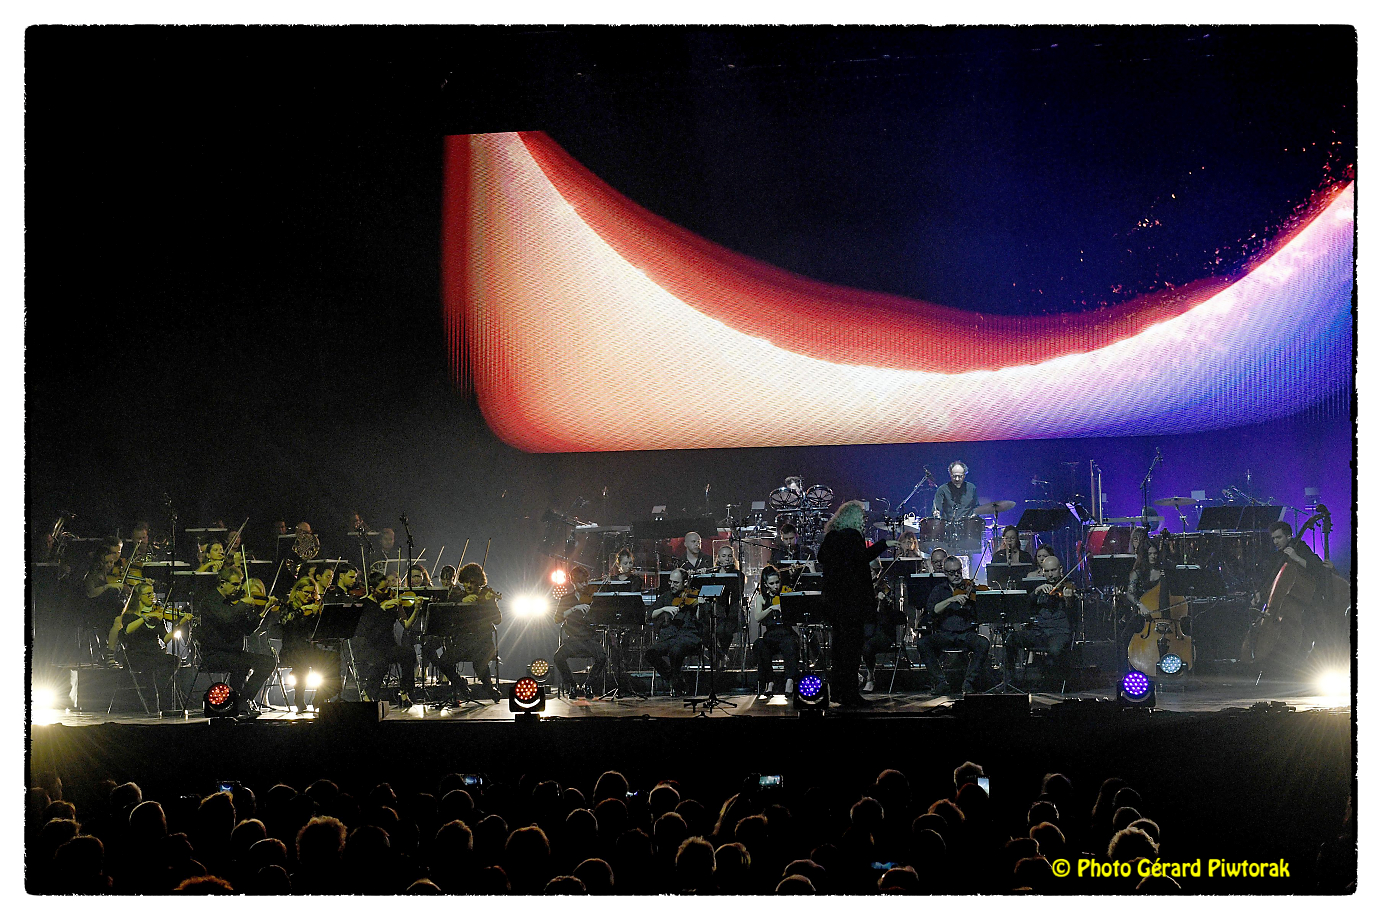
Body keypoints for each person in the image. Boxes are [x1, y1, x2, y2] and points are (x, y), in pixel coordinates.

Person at [817, 500, 894, 706]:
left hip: (833, 602)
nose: (864, 520)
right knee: (851, 649)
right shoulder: (852, 536)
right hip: (851, 602)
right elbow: (862, 558)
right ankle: (850, 694)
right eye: (862, 516)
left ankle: (837, 692)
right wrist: (884, 544)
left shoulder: (831, 537)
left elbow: (821, 558)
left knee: (838, 649)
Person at [194, 568, 276, 716]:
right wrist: (242, 604)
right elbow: (226, 618)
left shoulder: (235, 604)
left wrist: (264, 611)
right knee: (241, 664)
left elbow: (248, 630)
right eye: (235, 584)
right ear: (222, 583)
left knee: (268, 662)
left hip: (235, 653)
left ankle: (243, 700)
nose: (238, 588)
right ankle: (240, 704)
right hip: (214, 654)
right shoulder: (210, 602)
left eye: (239, 584)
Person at [424, 562, 502, 704]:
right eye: (466, 582)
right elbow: (449, 617)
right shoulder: (458, 595)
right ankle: (461, 684)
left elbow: (497, 620)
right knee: (444, 662)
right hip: (462, 642)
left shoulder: (486, 596)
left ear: (479, 583)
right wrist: (461, 601)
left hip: (483, 642)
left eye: (472, 583)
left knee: (479, 663)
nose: (468, 586)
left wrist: (489, 603)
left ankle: (489, 688)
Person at [916, 556, 991, 694]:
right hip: (945, 634)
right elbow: (933, 610)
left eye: (958, 571)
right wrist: (952, 599)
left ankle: (969, 682)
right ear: (945, 573)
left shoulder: (969, 588)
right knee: (923, 643)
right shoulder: (939, 590)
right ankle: (941, 682)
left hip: (966, 634)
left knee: (983, 643)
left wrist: (978, 599)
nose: (956, 575)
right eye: (952, 572)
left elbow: (983, 612)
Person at [108, 582, 188, 702]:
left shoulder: (156, 616)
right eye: (148, 594)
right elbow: (127, 630)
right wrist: (145, 617)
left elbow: (166, 638)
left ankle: (157, 692)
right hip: (136, 654)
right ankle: (155, 696)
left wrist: (181, 623)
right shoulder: (129, 616)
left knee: (174, 660)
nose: (152, 597)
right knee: (153, 666)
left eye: (153, 594)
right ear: (139, 597)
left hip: (154, 653)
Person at [1007, 554, 1078, 682]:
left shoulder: (1068, 587)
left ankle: (1054, 682)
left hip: (1059, 632)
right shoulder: (1040, 588)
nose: (1050, 575)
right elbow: (1024, 608)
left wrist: (1069, 600)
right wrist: (1035, 592)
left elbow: (1074, 613)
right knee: (1011, 639)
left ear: (1060, 569)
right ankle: (1010, 679)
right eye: (1047, 571)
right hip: (1039, 632)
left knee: (1055, 650)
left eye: (1053, 570)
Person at [353, 572, 421, 707]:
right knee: (381, 661)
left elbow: (407, 625)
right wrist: (381, 608)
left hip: (388, 645)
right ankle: (368, 694)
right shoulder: (364, 604)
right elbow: (366, 629)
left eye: (387, 588)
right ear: (372, 589)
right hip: (369, 647)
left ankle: (404, 691)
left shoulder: (392, 602)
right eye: (382, 589)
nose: (386, 592)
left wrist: (416, 610)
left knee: (408, 653)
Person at [553, 565, 606, 698]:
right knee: (558, 657)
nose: (584, 585)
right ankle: (572, 685)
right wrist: (574, 608)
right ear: (573, 582)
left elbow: (600, 618)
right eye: (580, 582)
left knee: (602, 657)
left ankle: (589, 684)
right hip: (573, 640)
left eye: (586, 581)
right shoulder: (566, 599)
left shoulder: (592, 598)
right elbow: (557, 619)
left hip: (589, 639)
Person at [647, 568, 702, 696]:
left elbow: (701, 619)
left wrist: (700, 604)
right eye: (670, 582)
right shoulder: (666, 597)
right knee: (650, 653)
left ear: (685, 582)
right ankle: (675, 680)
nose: (672, 585)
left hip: (688, 637)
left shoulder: (694, 595)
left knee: (675, 650)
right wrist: (663, 609)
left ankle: (676, 683)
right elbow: (650, 614)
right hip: (669, 637)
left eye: (676, 583)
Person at [750, 566, 799, 696]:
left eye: (777, 582)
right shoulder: (761, 598)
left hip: (786, 632)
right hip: (771, 634)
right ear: (766, 584)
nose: (776, 586)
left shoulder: (785, 593)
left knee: (790, 644)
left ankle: (789, 680)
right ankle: (769, 681)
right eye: (772, 583)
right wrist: (771, 608)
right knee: (760, 645)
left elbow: (795, 615)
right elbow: (757, 617)